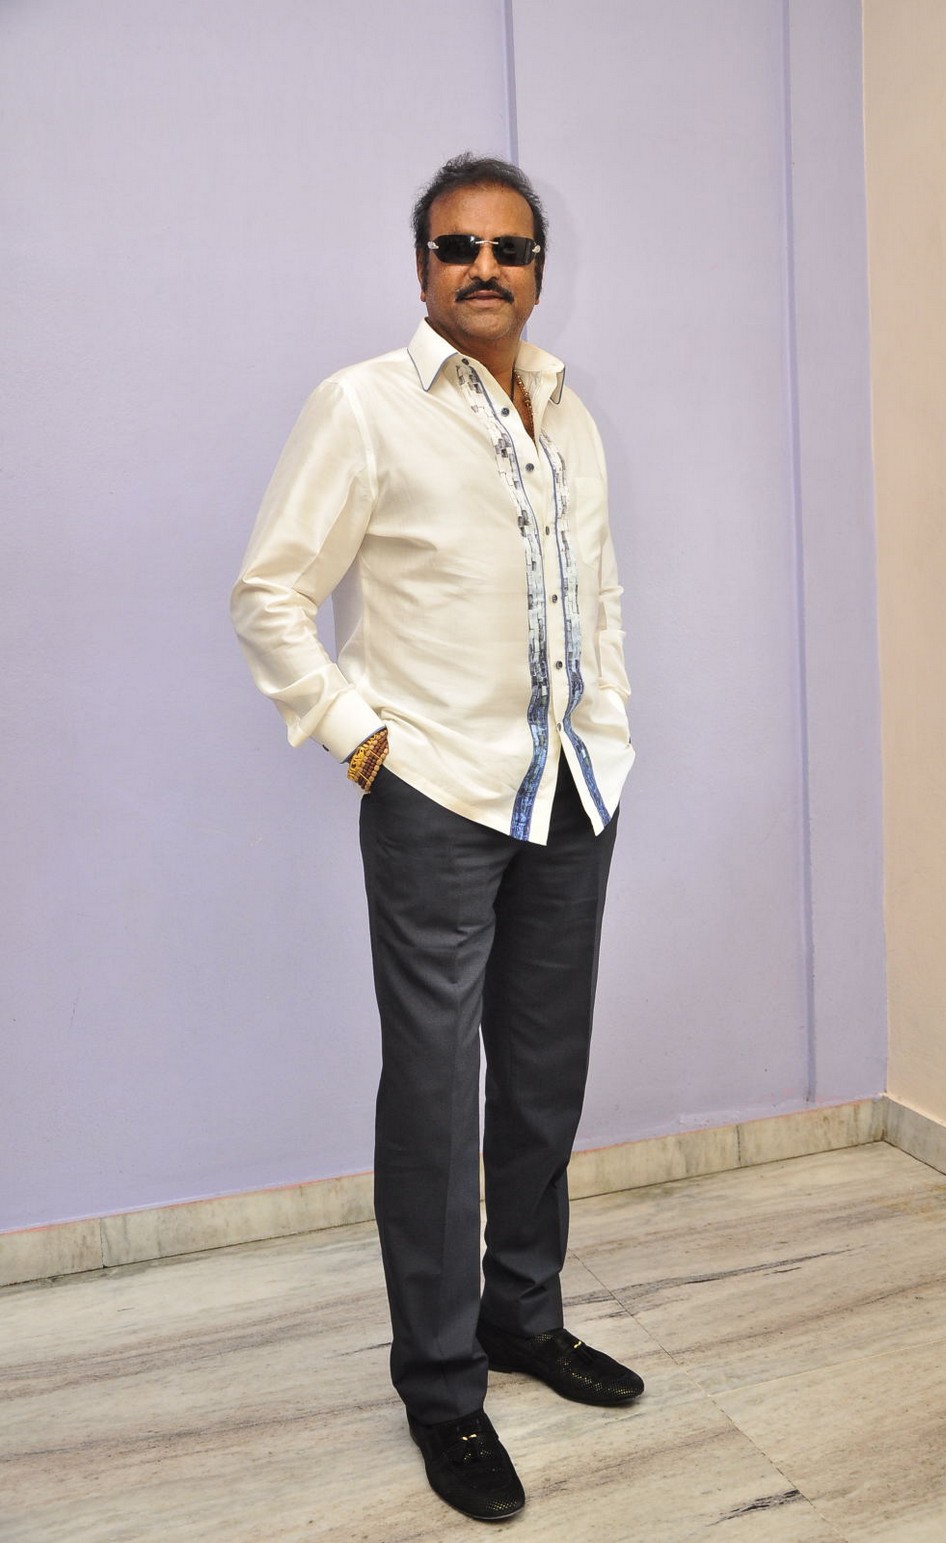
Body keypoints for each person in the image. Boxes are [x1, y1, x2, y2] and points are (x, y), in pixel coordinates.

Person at [231, 152, 641, 1523]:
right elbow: (271, 593)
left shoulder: (570, 415)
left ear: (538, 270)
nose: (485, 268)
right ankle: (443, 1388)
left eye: (509, 249)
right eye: (459, 247)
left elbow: (597, 596)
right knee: (431, 1095)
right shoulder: (362, 406)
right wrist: (357, 736)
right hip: (438, 799)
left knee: (542, 1080)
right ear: (423, 268)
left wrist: (610, 728)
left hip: (569, 789)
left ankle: (525, 1317)